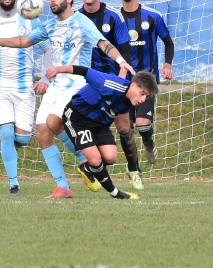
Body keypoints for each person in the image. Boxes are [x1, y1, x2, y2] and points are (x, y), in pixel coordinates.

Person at [0, 0, 135, 199]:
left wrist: (120, 61)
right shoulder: (49, 26)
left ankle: (86, 160)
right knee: (42, 132)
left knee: (53, 122)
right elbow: (23, 41)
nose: (52, 0)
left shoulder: (82, 22)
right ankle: (63, 186)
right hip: (57, 86)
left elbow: (103, 43)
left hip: (76, 84)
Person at [0, 0, 52, 195]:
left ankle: (12, 147)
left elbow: (48, 50)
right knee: (7, 133)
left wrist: (46, 78)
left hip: (23, 86)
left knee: (23, 138)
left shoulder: (31, 20)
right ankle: (14, 183)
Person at [45, 65, 159, 200]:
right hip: (78, 119)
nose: (143, 100)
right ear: (133, 85)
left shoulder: (130, 101)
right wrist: (57, 70)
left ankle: (87, 168)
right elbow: (84, 71)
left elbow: (120, 119)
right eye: (142, 93)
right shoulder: (109, 83)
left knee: (111, 157)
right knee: (95, 159)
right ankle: (116, 193)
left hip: (100, 125)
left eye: (146, 96)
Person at [115, 0, 175, 190]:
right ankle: (135, 169)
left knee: (142, 125)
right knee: (126, 127)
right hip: (122, 83)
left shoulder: (152, 16)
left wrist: (167, 64)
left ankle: (149, 142)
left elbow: (168, 41)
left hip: (146, 80)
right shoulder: (113, 18)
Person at [76, 0, 134, 191]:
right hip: (87, 81)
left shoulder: (113, 16)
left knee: (122, 125)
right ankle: (90, 163)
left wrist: (123, 77)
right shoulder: (74, 17)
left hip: (113, 80)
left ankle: (133, 168)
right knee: (85, 119)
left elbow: (125, 48)